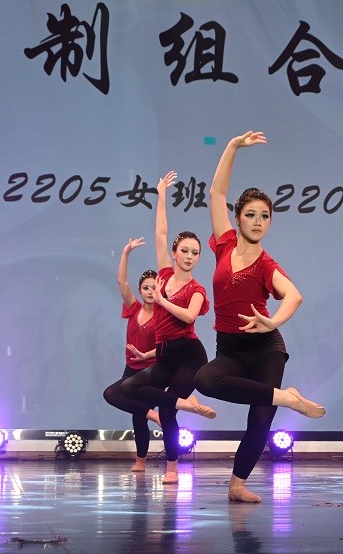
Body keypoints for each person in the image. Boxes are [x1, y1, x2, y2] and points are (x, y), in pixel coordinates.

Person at [194, 131, 325, 504]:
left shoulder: (267, 264)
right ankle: (287, 397)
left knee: (261, 420)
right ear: (237, 218)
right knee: (205, 379)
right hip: (230, 348)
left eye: (264, 216)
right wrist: (233, 147)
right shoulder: (224, 244)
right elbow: (216, 193)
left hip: (266, 347)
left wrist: (274, 321)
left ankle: (236, 485)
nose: (257, 221)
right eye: (250, 215)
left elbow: (294, 295)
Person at [122, 171, 216, 484]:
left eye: (195, 253)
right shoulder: (163, 275)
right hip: (164, 354)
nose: (189, 256)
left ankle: (172, 467)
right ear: (174, 254)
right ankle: (186, 404)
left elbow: (189, 317)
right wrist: (162, 194)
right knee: (131, 389)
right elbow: (161, 233)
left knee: (168, 412)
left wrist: (162, 301)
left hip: (189, 355)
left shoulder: (197, 289)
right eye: (184, 251)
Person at [101, 239, 161, 472]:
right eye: (146, 287)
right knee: (111, 394)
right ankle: (152, 416)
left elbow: (167, 346)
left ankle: (141, 460)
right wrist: (125, 252)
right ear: (140, 290)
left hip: (152, 373)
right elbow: (121, 281)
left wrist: (146, 354)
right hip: (131, 370)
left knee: (138, 417)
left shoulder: (164, 314)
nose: (150, 291)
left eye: (154, 287)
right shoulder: (133, 308)